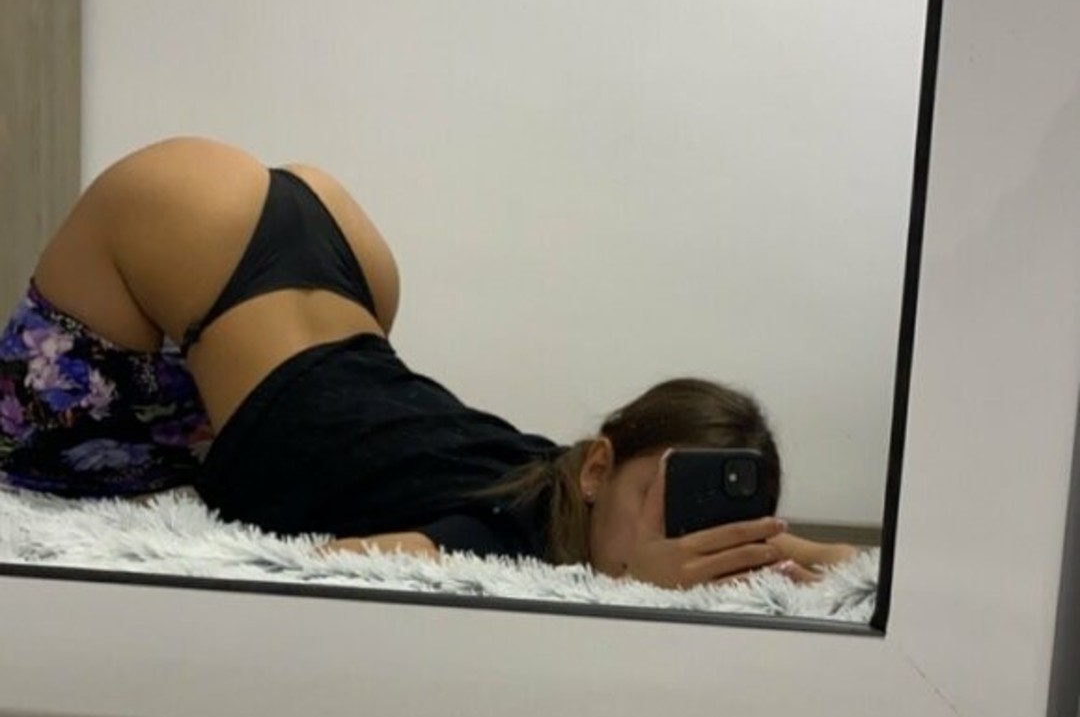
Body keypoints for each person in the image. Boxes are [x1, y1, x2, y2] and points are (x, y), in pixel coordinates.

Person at [0, 137, 852, 586]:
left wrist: (782, 550)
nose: (673, 545)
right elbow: (340, 568)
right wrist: (642, 585)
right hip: (210, 233)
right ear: (597, 468)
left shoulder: (541, 472)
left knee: (169, 443)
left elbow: (858, 568)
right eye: (655, 508)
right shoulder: (507, 538)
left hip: (339, 258)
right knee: (34, 457)